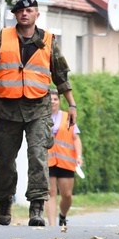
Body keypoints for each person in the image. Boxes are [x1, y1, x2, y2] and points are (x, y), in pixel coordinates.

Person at [0, 0, 77, 227]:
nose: (24, 14)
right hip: (7, 110)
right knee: (5, 160)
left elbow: (61, 76)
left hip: (37, 109)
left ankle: (37, 207)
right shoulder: (3, 37)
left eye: (29, 10)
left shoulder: (49, 41)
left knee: (38, 156)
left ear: (37, 15)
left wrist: (71, 105)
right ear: (15, 15)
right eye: (20, 11)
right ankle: (6, 199)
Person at [46, 89, 82, 227]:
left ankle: (63, 215)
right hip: (48, 160)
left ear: (59, 101)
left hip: (66, 161)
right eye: (50, 99)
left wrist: (78, 156)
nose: (52, 102)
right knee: (50, 193)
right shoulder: (42, 118)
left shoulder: (68, 117)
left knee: (67, 194)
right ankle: (52, 226)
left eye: (55, 99)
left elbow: (76, 138)